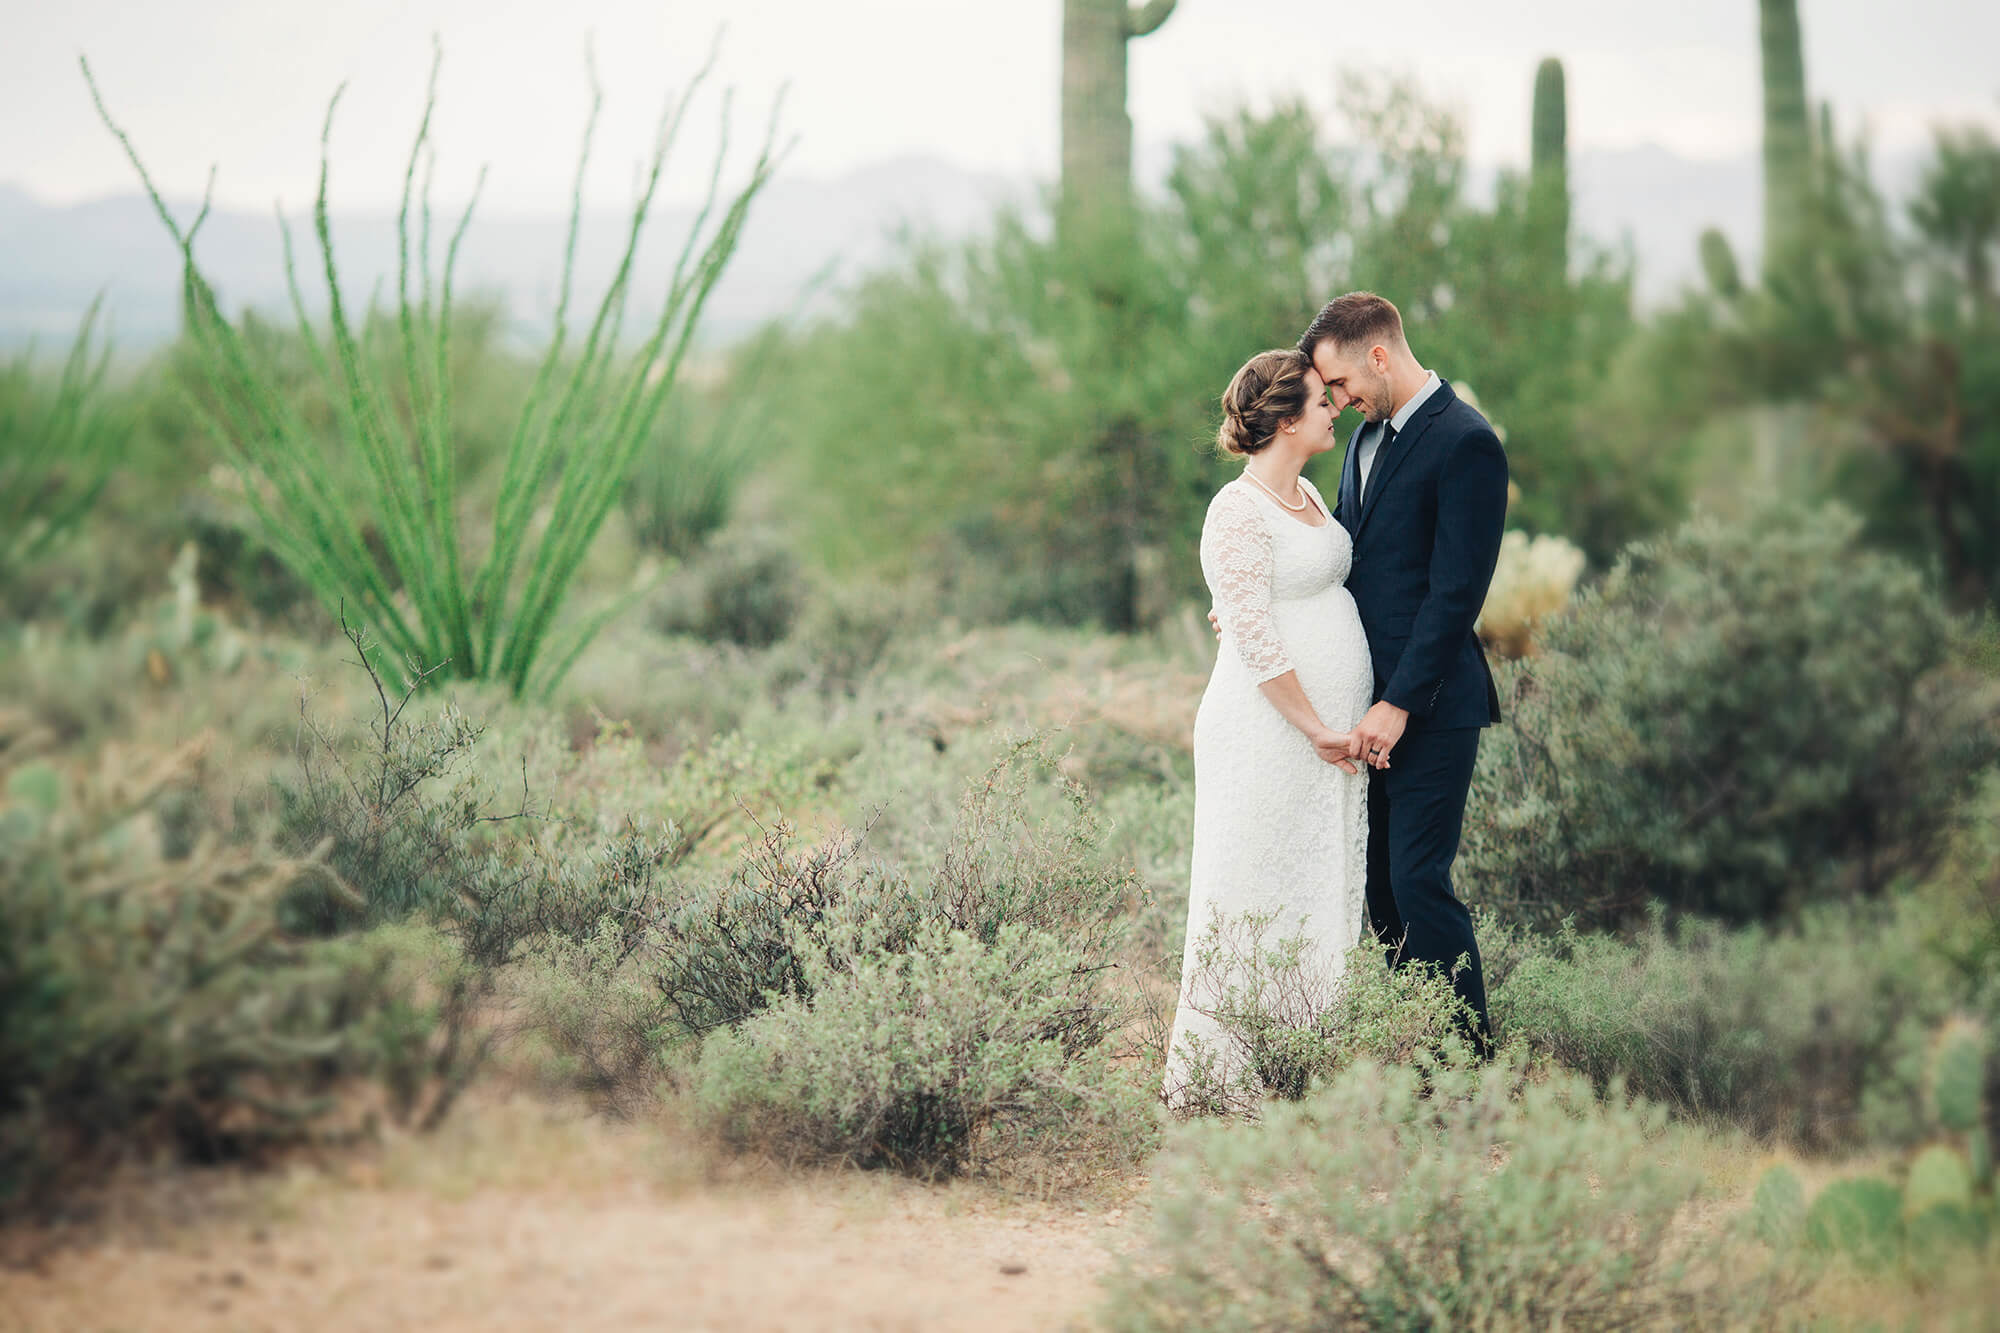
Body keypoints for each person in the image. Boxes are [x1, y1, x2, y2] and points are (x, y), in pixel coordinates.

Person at [1161, 347, 1375, 1111]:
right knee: (1254, 882)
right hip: (1267, 731)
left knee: (1317, 881)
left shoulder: (1311, 493)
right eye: (1321, 401)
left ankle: (1307, 1065)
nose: (1334, 409)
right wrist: (1316, 725)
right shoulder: (1236, 508)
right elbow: (1254, 636)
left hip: (1322, 737)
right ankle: (1227, 1080)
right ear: (1285, 420)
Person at [1300, 291, 1509, 1055]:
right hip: (1365, 707)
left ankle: (1466, 1065)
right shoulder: (1362, 443)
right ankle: (1417, 1053)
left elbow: (1456, 594)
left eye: (1343, 383)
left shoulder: (1466, 442)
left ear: (1379, 355)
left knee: (1421, 881)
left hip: (1434, 705)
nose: (1340, 400)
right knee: (1381, 891)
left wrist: (1399, 702)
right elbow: (1343, 567)